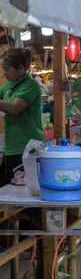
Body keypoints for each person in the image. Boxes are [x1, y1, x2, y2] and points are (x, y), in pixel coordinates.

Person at [0, 49, 45, 187]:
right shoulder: (8, 87)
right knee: (7, 188)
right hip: (11, 147)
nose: (4, 73)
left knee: (26, 192)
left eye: (7, 69)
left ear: (20, 68)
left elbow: (14, 108)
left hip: (27, 147)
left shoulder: (30, 85)